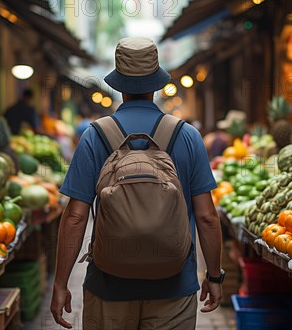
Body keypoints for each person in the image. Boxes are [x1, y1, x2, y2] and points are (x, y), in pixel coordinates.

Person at [51, 37, 223, 329]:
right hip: (174, 286)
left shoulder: (95, 136)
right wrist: (214, 276)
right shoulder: (188, 136)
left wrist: (60, 282)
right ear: (156, 84)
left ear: (118, 85)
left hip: (108, 288)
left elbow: (75, 217)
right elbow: (207, 217)